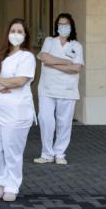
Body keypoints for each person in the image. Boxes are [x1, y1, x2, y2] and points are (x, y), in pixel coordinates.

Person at [0, 18, 36, 202]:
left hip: (16, 112)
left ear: (25, 35)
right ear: (7, 33)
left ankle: (12, 185)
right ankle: (0, 182)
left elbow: (20, 81)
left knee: (12, 149)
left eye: (20, 31)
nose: (16, 35)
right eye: (13, 31)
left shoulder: (27, 57)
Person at [34, 13, 84, 165]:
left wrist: (53, 63)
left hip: (67, 90)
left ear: (71, 26)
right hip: (47, 89)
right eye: (60, 24)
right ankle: (47, 153)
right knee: (46, 120)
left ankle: (60, 153)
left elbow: (76, 68)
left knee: (64, 122)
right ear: (56, 26)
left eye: (66, 24)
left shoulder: (76, 45)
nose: (63, 27)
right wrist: (65, 62)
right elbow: (43, 57)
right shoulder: (49, 41)